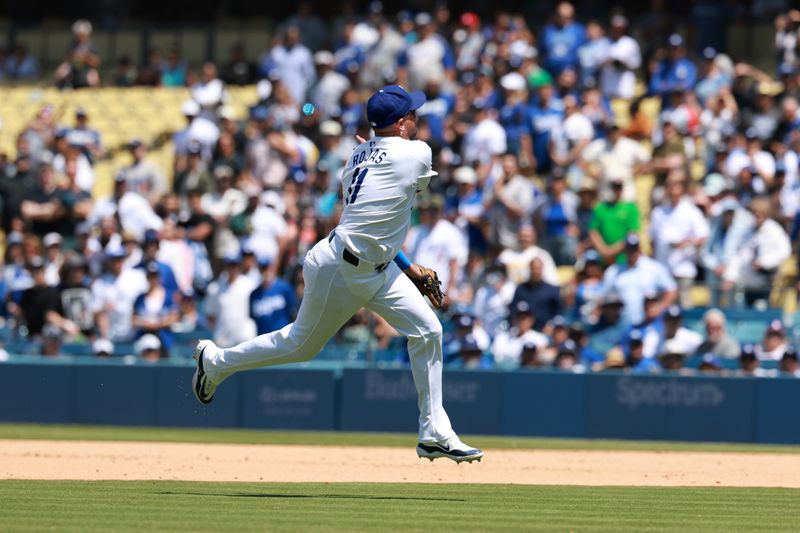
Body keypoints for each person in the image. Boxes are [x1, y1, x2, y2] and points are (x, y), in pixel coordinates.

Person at [190, 85, 483, 463]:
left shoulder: (355, 158)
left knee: (428, 330)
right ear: (400, 122)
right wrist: (380, 150)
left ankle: (434, 432)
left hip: (377, 267)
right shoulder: (416, 154)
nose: (417, 119)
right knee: (300, 346)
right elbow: (401, 184)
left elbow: (379, 220)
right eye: (412, 115)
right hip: (340, 269)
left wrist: (409, 269)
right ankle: (214, 362)